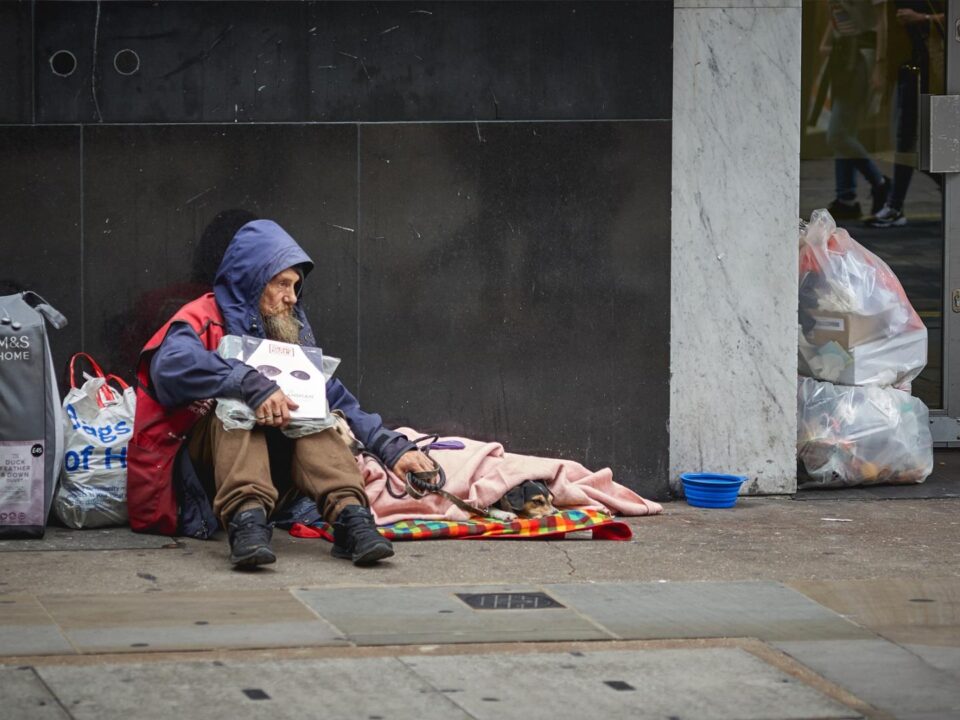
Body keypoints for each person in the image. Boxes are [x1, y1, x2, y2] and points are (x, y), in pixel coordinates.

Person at [127, 219, 437, 569]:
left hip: (274, 481)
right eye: (282, 284)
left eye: (295, 286)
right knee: (239, 406)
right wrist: (250, 385)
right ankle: (246, 523)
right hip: (200, 480)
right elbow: (171, 366)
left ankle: (351, 519)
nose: (292, 296)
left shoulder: (285, 327)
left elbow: (331, 393)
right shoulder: (202, 316)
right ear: (252, 281)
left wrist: (391, 449)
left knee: (310, 408)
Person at [866, 1, 945, 228]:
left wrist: (922, 18)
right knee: (906, 139)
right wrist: (881, 66)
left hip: (937, 69)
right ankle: (895, 205)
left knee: (932, 145)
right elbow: (884, 24)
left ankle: (896, 205)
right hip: (908, 69)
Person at [821, 0, 891, 221]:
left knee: (837, 134)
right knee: (844, 131)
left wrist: (880, 64)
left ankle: (879, 182)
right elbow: (837, 12)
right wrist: (828, 40)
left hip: (861, 55)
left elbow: (882, 21)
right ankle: (846, 199)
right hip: (843, 53)